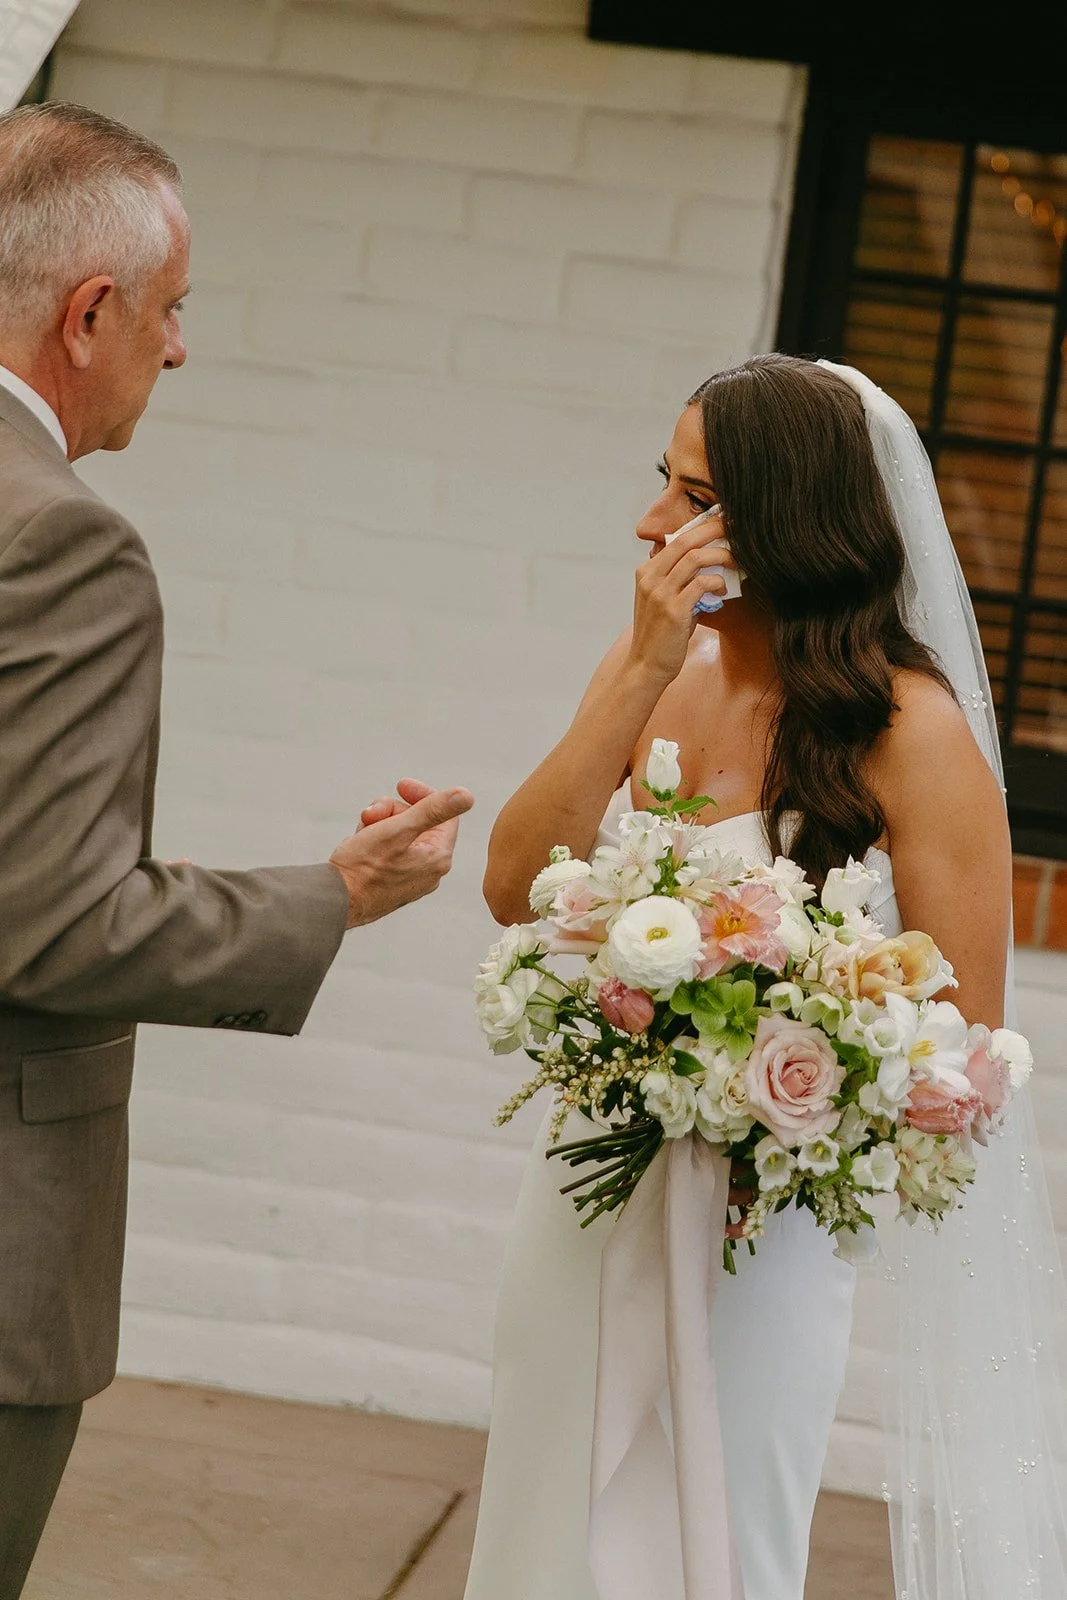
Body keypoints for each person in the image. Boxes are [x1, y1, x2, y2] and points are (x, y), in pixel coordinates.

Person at [462, 352, 1058, 1599]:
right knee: (540, 1515)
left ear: (783, 520)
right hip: (586, 1189)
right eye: (659, 487)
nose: (649, 524)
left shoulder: (911, 730)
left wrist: (779, 1065)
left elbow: (966, 1046)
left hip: (767, 1227)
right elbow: (516, 884)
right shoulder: (659, 671)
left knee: (719, 1534)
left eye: (690, 497)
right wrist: (632, 675)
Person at [0, 100, 473, 1600]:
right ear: (89, 313)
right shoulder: (61, 542)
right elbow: (53, 927)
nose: (179, 347)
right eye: (171, 310)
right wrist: (333, 896)